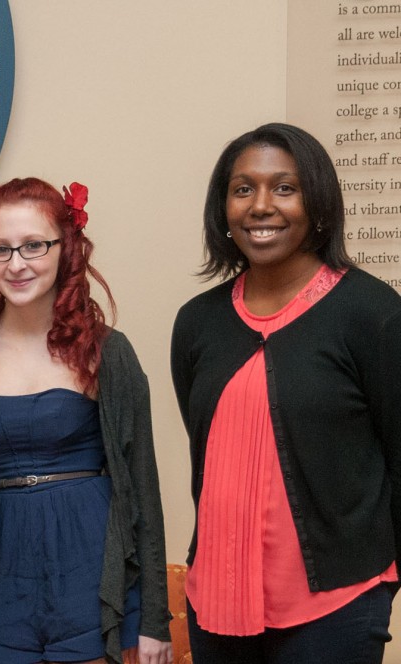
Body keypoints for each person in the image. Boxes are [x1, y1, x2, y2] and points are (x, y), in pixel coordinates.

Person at [170, 122, 401, 663]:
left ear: (317, 202)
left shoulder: (371, 314)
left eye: (285, 188)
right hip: (216, 605)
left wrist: (384, 580)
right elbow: (207, 449)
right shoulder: (197, 323)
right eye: (243, 188)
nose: (261, 205)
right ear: (223, 207)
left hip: (337, 606)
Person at [0, 177, 172, 664]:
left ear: (65, 248)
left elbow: (144, 489)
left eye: (34, 245)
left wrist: (154, 618)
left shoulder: (107, 352)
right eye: (1, 249)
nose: (17, 264)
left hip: (90, 570)